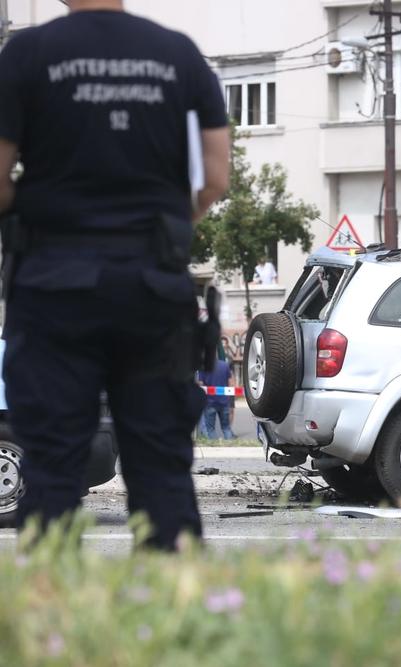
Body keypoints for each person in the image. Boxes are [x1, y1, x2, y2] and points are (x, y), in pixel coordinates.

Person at [0, 0, 231, 550]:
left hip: (53, 285)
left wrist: (31, 220)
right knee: (161, 470)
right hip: (152, 287)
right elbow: (216, 178)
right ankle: (170, 618)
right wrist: (161, 230)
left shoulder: (27, 54)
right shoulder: (179, 56)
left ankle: (54, 622)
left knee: (52, 466)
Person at [198, 356, 236, 440]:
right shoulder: (225, 365)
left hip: (209, 402)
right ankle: (230, 446)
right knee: (226, 428)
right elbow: (230, 383)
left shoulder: (203, 367)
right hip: (224, 401)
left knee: (210, 429)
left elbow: (200, 384)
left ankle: (215, 447)